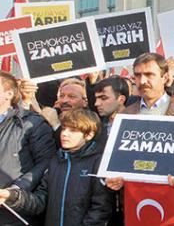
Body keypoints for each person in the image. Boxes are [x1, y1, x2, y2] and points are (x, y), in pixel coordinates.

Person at [105, 53, 174, 225]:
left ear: (165, 78)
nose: (142, 81)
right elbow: (120, 157)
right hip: (136, 204)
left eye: (149, 75)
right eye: (138, 75)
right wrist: (114, 176)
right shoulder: (126, 114)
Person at [0, 109, 113, 225]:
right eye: (64, 128)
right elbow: (40, 202)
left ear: (89, 134)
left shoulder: (98, 163)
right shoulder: (56, 161)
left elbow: (101, 208)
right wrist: (11, 196)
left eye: (73, 130)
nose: (64, 133)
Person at [0, 72, 55, 225]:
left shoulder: (31, 123)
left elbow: (45, 163)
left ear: (8, 94)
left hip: (13, 211)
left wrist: (14, 191)